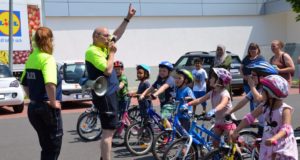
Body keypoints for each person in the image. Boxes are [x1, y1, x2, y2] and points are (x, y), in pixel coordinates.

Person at [85, 4, 136, 160]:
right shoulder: (93, 51)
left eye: (108, 35)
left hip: (109, 93)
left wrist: (127, 18)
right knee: (108, 132)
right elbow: (108, 70)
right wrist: (112, 53)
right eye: (105, 36)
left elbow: (117, 35)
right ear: (96, 37)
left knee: (109, 131)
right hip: (105, 96)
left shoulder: (103, 46)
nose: (109, 38)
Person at [20, 27, 63, 160]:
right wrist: (52, 102)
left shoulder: (31, 58)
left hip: (33, 108)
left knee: (46, 147)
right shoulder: (47, 59)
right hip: (47, 108)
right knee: (53, 147)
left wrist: (34, 97)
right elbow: (50, 84)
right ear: (49, 41)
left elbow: (24, 83)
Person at [232, 75, 298, 160]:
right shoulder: (264, 106)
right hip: (268, 141)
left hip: (282, 144)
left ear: (271, 94)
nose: (260, 93)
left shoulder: (285, 109)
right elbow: (249, 118)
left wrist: (274, 138)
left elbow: (286, 128)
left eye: (263, 91)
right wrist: (236, 130)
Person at [184, 68, 236, 146]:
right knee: (215, 143)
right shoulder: (212, 92)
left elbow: (222, 104)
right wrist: (188, 104)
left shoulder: (224, 93)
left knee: (231, 145)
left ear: (219, 80)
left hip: (228, 122)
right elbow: (200, 100)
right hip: (218, 122)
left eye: (212, 78)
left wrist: (213, 110)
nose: (210, 79)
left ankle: (238, 155)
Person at [227, 61, 278, 136]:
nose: (250, 77)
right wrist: (230, 112)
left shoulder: (268, 91)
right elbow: (243, 101)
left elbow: (259, 99)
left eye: (253, 75)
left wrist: (252, 86)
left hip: (271, 128)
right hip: (262, 126)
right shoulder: (256, 89)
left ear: (262, 77)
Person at [140, 61, 176, 128]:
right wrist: (143, 94)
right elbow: (151, 88)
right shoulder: (159, 80)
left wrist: (155, 94)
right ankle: (167, 132)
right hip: (163, 103)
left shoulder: (170, 80)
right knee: (164, 120)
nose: (161, 72)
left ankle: (170, 135)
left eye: (164, 71)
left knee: (163, 119)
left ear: (169, 72)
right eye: (160, 71)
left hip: (169, 103)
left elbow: (163, 87)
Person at [240, 43, 265, 110]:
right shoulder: (246, 58)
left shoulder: (261, 58)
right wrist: (243, 76)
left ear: (258, 49)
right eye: (251, 48)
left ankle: (257, 113)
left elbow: (263, 69)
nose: (252, 50)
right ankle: (252, 114)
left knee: (256, 98)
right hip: (247, 82)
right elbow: (241, 68)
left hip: (257, 83)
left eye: (254, 48)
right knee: (250, 98)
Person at [114, 60, 130, 125]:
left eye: (118, 69)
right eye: (115, 69)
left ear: (122, 69)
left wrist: (117, 88)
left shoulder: (123, 77)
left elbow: (121, 84)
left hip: (125, 98)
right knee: (118, 112)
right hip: (118, 99)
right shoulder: (115, 77)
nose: (117, 71)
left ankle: (129, 126)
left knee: (123, 114)